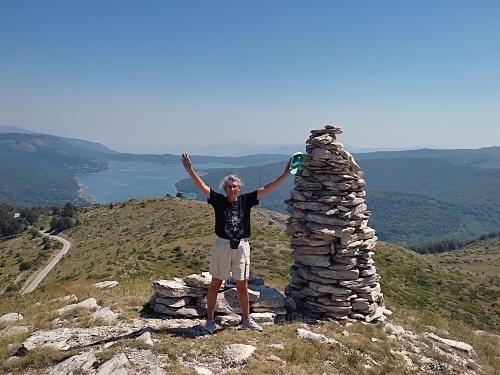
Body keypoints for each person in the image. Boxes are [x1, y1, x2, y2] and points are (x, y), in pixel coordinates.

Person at [181, 153, 291, 333]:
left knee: (243, 285)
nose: (232, 189)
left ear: (239, 188)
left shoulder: (246, 200)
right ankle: (210, 320)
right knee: (215, 284)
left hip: (241, 246)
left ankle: (246, 319)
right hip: (222, 245)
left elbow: (267, 187)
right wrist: (190, 170)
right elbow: (202, 186)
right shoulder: (218, 201)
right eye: (229, 187)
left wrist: (285, 175)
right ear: (225, 189)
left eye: (234, 186)